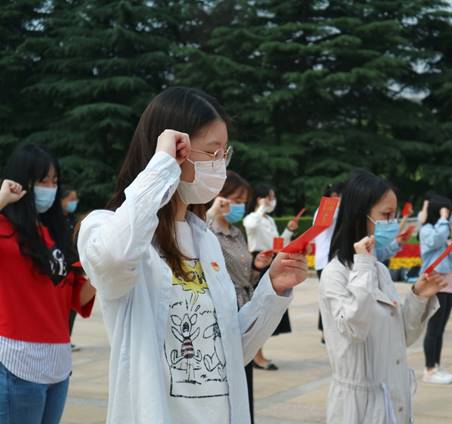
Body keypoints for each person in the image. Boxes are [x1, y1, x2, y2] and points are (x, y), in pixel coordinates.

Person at [77, 87, 307, 423]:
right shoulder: (107, 228)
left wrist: (271, 291)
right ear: (174, 150)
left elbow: (230, 350)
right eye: (211, 152)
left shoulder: (205, 240)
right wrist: (161, 167)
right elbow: (114, 259)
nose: (220, 166)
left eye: (224, 154)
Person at [319, 170, 445, 424]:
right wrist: (364, 265)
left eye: (394, 215)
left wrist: (418, 297)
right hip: (359, 406)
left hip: (393, 397)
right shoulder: (335, 274)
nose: (392, 222)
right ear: (359, 216)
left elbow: (402, 337)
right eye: (386, 215)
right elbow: (356, 328)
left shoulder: (380, 270)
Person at [0, 144, 96, 424]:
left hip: (58, 361)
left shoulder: (56, 233)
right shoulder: (3, 229)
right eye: (43, 181)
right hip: (17, 359)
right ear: (21, 182)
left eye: (54, 181)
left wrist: (101, 271)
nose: (50, 188)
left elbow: (77, 297)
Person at [205, 170, 275, 422]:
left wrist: (256, 266)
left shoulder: (236, 232)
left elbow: (245, 276)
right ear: (219, 197)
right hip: (221, 312)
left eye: (243, 201)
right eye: (235, 200)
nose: (239, 207)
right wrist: (211, 214)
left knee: (243, 378)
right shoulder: (205, 230)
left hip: (244, 308)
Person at [243, 185, 298, 371]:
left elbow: (278, 244)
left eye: (272, 198)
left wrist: (288, 231)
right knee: (259, 306)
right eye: (269, 197)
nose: (272, 201)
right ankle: (256, 356)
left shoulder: (269, 220)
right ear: (259, 198)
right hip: (258, 261)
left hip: (271, 260)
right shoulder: (253, 217)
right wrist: (260, 208)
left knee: (269, 307)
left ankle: (258, 354)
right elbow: (250, 225)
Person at [419, 195, 452, 385]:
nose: (447, 215)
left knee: (441, 327)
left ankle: (436, 365)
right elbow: (435, 241)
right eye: (445, 211)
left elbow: (448, 255)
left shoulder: (442, 229)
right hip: (434, 280)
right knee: (434, 326)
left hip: (447, 280)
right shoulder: (427, 229)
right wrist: (443, 219)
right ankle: (429, 369)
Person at [314, 182, 344, 346]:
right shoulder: (326, 209)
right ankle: (325, 333)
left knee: (331, 297)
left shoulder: (330, 210)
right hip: (326, 260)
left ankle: (327, 332)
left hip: (330, 259)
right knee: (329, 298)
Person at [60, 186, 81, 352]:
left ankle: (67, 338)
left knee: (73, 307)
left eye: (75, 199)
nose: (74, 202)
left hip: (75, 268)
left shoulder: (74, 221)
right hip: (61, 269)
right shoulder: (53, 222)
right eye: (71, 199)